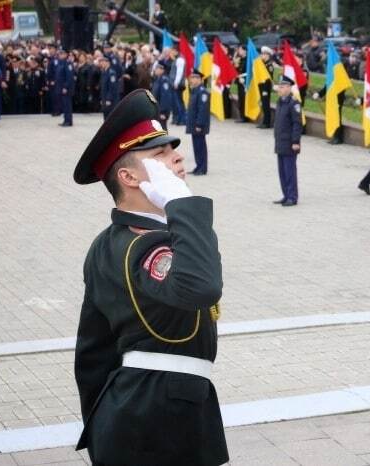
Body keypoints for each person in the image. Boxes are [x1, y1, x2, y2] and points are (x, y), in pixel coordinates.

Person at [72, 89, 228, 466]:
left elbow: (92, 352)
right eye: (159, 154)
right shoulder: (140, 246)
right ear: (127, 176)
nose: (176, 156)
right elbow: (201, 286)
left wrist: (101, 421)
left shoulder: (116, 241)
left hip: (144, 410)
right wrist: (181, 203)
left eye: (172, 149)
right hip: (152, 417)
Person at [272, 76, 302, 206]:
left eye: (283, 86)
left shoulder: (293, 103)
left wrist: (296, 141)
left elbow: (297, 124)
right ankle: (286, 194)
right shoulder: (280, 101)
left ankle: (292, 196)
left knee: (290, 171)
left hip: (290, 143)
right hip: (280, 142)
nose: (280, 88)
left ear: (289, 88)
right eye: (280, 86)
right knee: (282, 171)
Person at [186, 70, 211, 175]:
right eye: (192, 77)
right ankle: (198, 166)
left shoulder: (202, 92)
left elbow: (203, 109)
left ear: (200, 80)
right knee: (196, 146)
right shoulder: (194, 90)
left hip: (198, 125)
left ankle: (202, 168)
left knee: (200, 146)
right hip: (194, 124)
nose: (193, 80)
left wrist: (199, 124)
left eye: (196, 78)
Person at [152, 62, 176, 131]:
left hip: (161, 112)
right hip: (157, 110)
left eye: (157, 68)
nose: (155, 69)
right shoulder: (158, 79)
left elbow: (165, 98)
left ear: (162, 70)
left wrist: (163, 112)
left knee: (163, 131)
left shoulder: (164, 81)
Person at [55, 48, 75, 127]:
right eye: (60, 54)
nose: (60, 55)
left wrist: (65, 87)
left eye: (62, 54)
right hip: (60, 87)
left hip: (66, 89)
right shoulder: (61, 63)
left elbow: (69, 77)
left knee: (67, 105)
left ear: (66, 55)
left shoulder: (68, 64)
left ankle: (68, 121)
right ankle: (65, 119)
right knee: (64, 104)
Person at [257, 46, 274, 128]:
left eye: (263, 54)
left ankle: (267, 123)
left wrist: (265, 90)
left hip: (266, 88)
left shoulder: (269, 65)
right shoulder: (262, 64)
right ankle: (263, 121)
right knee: (263, 105)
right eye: (262, 54)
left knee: (266, 105)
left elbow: (268, 79)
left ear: (267, 55)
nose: (262, 56)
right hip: (261, 86)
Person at [232, 45, 248, 123]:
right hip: (239, 80)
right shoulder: (240, 59)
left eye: (240, 50)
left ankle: (245, 116)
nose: (239, 51)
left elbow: (249, 71)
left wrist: (244, 79)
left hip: (244, 81)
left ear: (245, 50)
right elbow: (238, 69)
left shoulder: (248, 59)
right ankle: (241, 116)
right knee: (240, 98)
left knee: (244, 98)